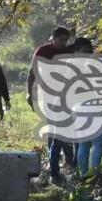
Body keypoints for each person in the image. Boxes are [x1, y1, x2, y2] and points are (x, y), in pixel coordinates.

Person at [26, 26, 76, 184]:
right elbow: (32, 73)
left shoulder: (69, 51)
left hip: (66, 96)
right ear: (53, 38)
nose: (63, 43)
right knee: (54, 130)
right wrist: (29, 92)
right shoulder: (42, 51)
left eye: (66, 41)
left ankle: (69, 162)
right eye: (61, 40)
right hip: (47, 95)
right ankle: (54, 164)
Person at [71, 37, 102, 176]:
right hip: (91, 109)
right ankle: (94, 173)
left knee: (84, 144)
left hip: (77, 108)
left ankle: (83, 174)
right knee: (100, 143)